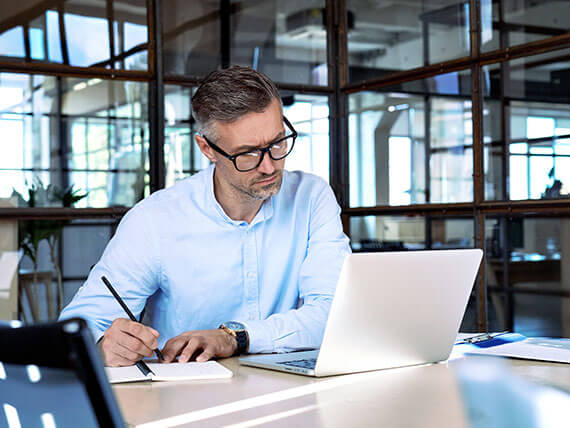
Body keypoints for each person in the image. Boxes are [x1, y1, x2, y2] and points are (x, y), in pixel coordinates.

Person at [59, 66, 350, 367]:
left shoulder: (312, 197)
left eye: (277, 143)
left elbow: (336, 312)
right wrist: (101, 344)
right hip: (187, 398)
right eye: (248, 153)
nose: (269, 166)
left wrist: (235, 337)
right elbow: (76, 327)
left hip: (294, 391)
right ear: (207, 148)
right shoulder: (155, 220)